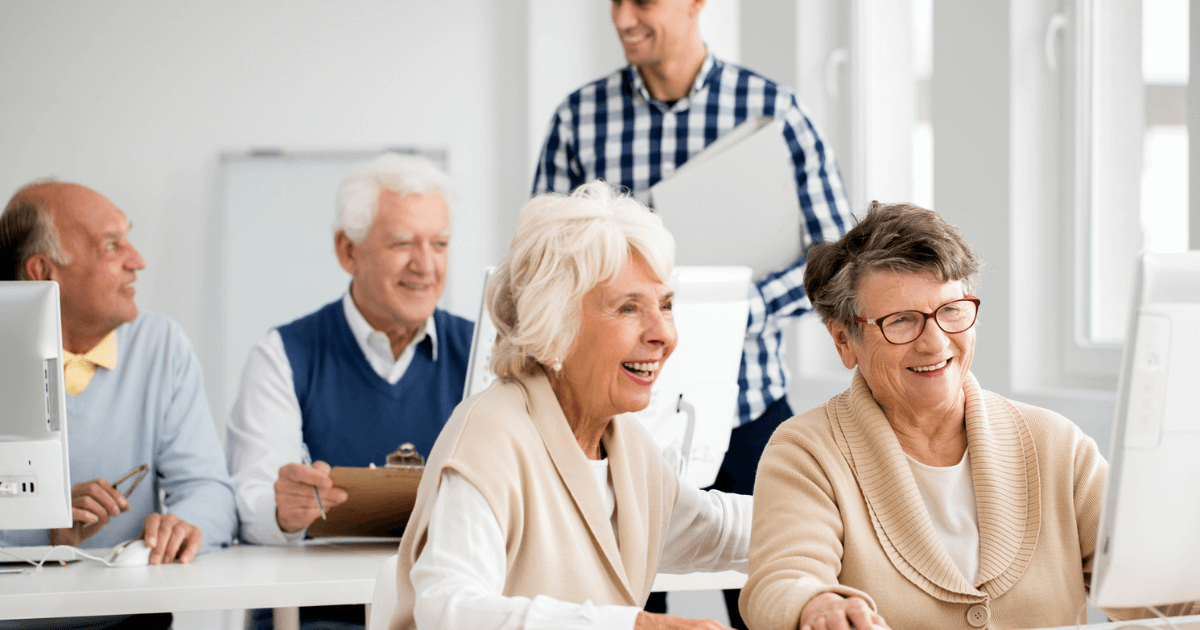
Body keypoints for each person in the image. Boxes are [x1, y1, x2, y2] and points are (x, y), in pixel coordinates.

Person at [532, 4, 853, 623]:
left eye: (643, 1)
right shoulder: (579, 118)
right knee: (613, 601)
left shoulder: (770, 110)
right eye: (615, 1)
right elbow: (543, 264)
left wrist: (742, 308)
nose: (623, 16)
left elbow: (838, 254)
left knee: (780, 584)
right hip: (611, 415)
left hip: (747, 404)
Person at [740, 201, 1200, 630]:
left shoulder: (1056, 445)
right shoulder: (806, 451)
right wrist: (818, 605)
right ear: (844, 340)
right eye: (902, 320)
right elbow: (782, 580)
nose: (935, 342)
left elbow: (1158, 592)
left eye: (952, 311)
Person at [389, 181, 750, 630]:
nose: (664, 334)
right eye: (628, 308)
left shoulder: (625, 443)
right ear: (556, 325)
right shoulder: (493, 434)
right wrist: (635, 626)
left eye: (666, 304)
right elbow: (449, 608)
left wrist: (839, 510)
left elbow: (714, 529)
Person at [225, 153, 473, 628]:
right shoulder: (282, 354)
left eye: (439, 244)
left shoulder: (486, 351)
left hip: (442, 613)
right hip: (315, 618)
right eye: (402, 243)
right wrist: (282, 511)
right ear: (347, 251)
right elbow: (250, 502)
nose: (425, 265)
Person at [0, 180, 238, 630]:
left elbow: (209, 489)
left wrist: (184, 525)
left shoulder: (160, 345)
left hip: (126, 621)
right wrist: (47, 532)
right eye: (113, 246)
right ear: (44, 272)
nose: (138, 261)